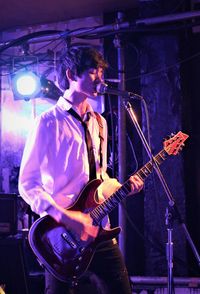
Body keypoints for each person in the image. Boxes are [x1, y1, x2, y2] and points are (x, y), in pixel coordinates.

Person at [18, 45, 144, 294]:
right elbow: (27, 183)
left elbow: (99, 175)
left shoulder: (100, 122)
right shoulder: (48, 122)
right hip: (61, 234)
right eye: (92, 71)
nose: (100, 78)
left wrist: (120, 188)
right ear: (71, 75)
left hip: (99, 229)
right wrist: (67, 218)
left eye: (100, 71)